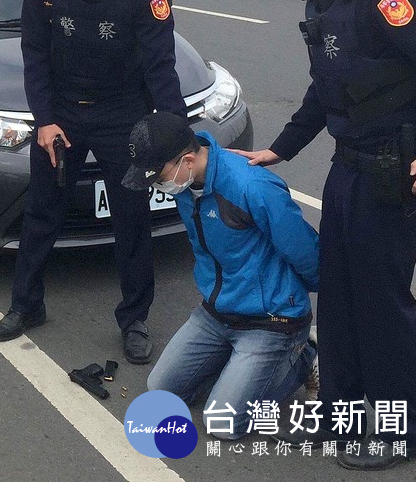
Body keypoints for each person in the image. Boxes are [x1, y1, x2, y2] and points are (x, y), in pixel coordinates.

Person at [237, 0, 416, 470]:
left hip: (395, 173)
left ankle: (409, 429)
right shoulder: (324, 2)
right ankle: (343, 413)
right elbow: (326, 89)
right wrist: (280, 149)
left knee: (381, 301)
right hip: (349, 168)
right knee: (339, 297)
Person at [0, 0, 186, 364]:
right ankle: (26, 305)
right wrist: (43, 120)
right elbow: (34, 50)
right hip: (63, 115)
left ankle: (134, 318)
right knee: (42, 211)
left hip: (122, 114)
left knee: (131, 219)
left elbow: (160, 62)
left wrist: (172, 130)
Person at [122, 111, 319, 437]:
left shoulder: (250, 186)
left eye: (158, 176)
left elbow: (305, 250)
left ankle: (304, 356)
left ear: (187, 160)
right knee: (160, 391)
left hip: (272, 321)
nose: (157, 185)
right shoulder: (187, 184)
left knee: (222, 424)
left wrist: (294, 303)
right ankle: (239, 365)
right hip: (217, 313)